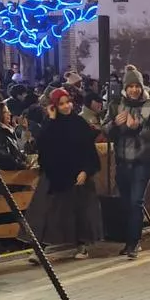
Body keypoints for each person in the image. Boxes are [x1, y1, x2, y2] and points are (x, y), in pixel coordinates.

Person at [31, 86, 102, 258]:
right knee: (44, 212)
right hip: (55, 174)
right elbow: (42, 145)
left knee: (80, 212)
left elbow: (88, 150)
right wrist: (52, 119)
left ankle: (81, 246)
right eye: (61, 104)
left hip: (76, 174)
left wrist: (86, 170)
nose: (66, 107)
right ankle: (38, 249)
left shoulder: (78, 123)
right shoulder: (50, 123)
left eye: (67, 102)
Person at [105, 66, 150, 258]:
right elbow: (104, 129)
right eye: (130, 86)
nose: (133, 90)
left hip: (142, 161)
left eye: (136, 86)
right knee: (125, 202)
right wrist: (115, 124)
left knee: (136, 202)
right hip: (122, 161)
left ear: (142, 87)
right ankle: (127, 240)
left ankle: (134, 243)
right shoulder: (115, 105)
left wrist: (139, 127)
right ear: (124, 87)